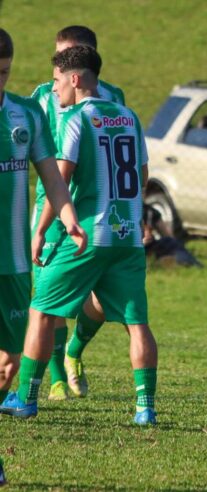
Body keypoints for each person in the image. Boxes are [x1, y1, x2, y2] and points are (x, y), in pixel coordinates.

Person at [1, 46, 158, 426]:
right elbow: (142, 173)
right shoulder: (129, 115)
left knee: (40, 311)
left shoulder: (75, 118)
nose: (53, 90)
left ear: (74, 79)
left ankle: (26, 397)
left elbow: (61, 177)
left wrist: (43, 230)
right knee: (137, 323)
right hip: (127, 235)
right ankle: (145, 409)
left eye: (56, 81)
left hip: (88, 234)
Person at [30, 25, 126, 401]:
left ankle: (74, 352)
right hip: (51, 208)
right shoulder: (41, 96)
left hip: (98, 210)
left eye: (69, 54)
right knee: (48, 300)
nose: (61, 62)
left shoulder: (114, 97)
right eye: (57, 54)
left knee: (102, 299)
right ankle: (55, 379)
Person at [0, 29, 85, 416]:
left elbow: (53, 177)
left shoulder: (26, 113)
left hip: (13, 263)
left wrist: (69, 220)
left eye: (3, 72)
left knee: (7, 365)